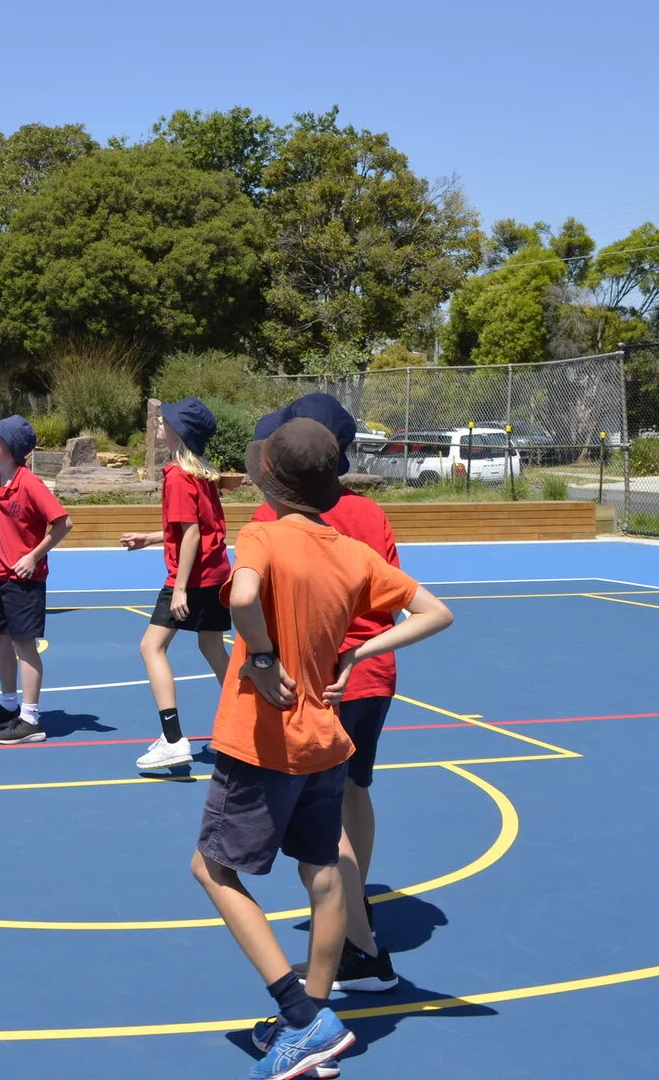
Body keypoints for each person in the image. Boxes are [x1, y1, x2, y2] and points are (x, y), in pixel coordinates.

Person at [192, 418, 453, 1080]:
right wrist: (360, 647)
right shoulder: (353, 552)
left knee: (212, 869)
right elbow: (435, 611)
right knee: (325, 873)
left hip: (263, 742)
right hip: (325, 742)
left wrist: (262, 657)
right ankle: (308, 1015)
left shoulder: (263, 535)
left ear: (271, 481)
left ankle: (303, 1016)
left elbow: (243, 594)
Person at [251, 394, 403, 993]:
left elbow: (262, 603)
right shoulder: (369, 512)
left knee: (318, 830)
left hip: (317, 682)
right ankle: (353, 907)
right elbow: (392, 596)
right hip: (374, 672)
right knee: (355, 793)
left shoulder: (278, 518)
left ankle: (357, 944)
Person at [120, 398, 231, 771]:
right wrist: (151, 539)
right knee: (213, 648)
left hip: (194, 579)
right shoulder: (202, 473)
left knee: (151, 647)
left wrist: (180, 587)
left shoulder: (177, 476)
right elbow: (193, 528)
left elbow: (193, 534)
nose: (157, 422)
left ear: (178, 431)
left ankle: (172, 739)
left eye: (164, 419)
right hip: (217, 575)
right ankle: (240, 727)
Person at [0, 416, 72, 745]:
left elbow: (63, 523)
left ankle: (30, 719)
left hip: (24, 578)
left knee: (24, 646)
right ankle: (8, 705)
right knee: (0, 639)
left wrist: (33, 556)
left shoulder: (30, 484)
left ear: (13, 447)